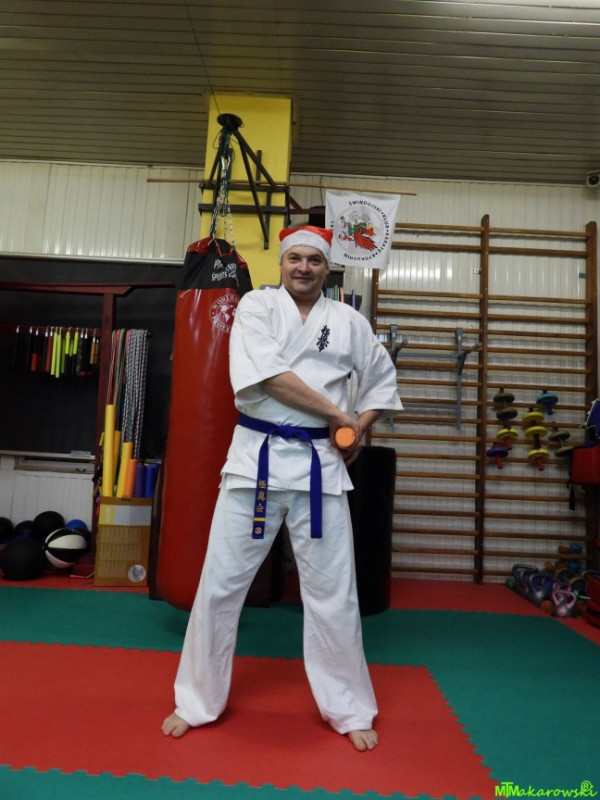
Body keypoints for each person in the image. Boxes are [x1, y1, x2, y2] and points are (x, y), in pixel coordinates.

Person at [162, 225, 402, 751]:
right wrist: (340, 413)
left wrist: (358, 428)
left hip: (321, 466)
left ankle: (348, 707)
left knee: (334, 593)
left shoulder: (349, 322)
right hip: (256, 462)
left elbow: (382, 381)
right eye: (295, 258)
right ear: (282, 263)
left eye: (314, 260)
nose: (304, 268)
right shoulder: (255, 307)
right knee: (220, 585)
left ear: (327, 269)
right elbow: (268, 377)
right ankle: (196, 700)